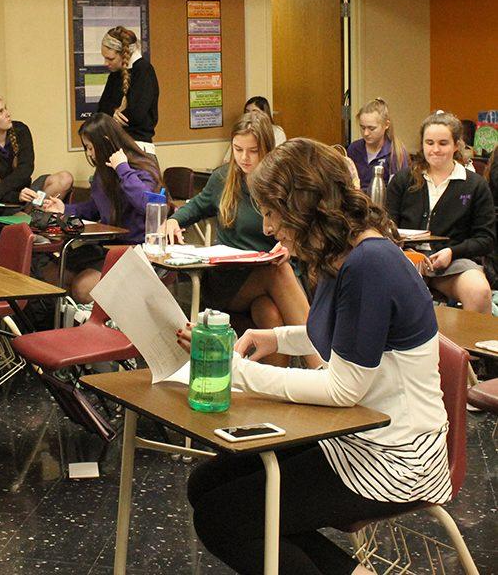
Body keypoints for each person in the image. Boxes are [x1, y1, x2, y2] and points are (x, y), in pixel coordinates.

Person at [177, 138, 451, 575]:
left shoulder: (368, 265)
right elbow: (348, 332)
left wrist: (239, 372)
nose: (267, 227)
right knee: (208, 483)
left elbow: (343, 388)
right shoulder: (343, 252)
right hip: (361, 437)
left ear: (303, 206)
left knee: (224, 517)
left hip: (397, 458)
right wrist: (278, 339)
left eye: (271, 212)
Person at [164, 112, 318, 367]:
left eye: (253, 151)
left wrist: (289, 248)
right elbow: (193, 209)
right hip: (229, 279)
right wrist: (173, 220)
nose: (244, 158)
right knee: (278, 273)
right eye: (238, 149)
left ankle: (272, 392)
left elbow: (302, 233)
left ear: (267, 149)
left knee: (270, 313)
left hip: (268, 276)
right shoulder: (223, 178)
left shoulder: (281, 182)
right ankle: (321, 365)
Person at [42, 112, 160, 302]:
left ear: (105, 142)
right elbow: (94, 208)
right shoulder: (102, 174)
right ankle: (74, 324)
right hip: (107, 247)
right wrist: (64, 209)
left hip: (135, 251)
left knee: (83, 287)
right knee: (52, 274)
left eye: (90, 147)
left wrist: (123, 169)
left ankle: (103, 325)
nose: (89, 153)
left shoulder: (143, 167)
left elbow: (147, 205)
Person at [386, 111, 495, 314]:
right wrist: (406, 254)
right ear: (422, 145)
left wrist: (452, 252)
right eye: (429, 143)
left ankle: (472, 345)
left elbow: (485, 238)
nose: (435, 149)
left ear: (456, 145)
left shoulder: (475, 185)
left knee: (479, 291)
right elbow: (386, 226)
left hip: (452, 263)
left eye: (443, 143)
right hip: (405, 261)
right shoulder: (403, 180)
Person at [0, 95, 73, 245]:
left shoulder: (20, 130)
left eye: (5, 108)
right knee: (22, 225)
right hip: (3, 205)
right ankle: (33, 225)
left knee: (65, 178)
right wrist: (16, 196)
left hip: (28, 197)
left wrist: (16, 193)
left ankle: (33, 219)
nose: (7, 113)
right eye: (0, 112)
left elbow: (26, 168)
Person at [96, 26, 159, 154]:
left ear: (124, 54)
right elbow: (101, 109)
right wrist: (113, 113)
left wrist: (111, 116)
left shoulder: (143, 71)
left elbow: (136, 114)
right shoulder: (115, 74)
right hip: (116, 145)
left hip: (138, 147)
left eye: (110, 59)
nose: (105, 63)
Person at [346, 98, 409, 192]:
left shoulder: (395, 152)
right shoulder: (354, 149)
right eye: (362, 128)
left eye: (371, 128)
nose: (366, 133)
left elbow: (400, 190)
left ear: (386, 125)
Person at [222, 96, 287, 164]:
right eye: (247, 111)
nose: (250, 114)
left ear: (264, 113)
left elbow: (278, 158)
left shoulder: (277, 131)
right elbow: (227, 159)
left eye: (254, 111)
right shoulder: (242, 131)